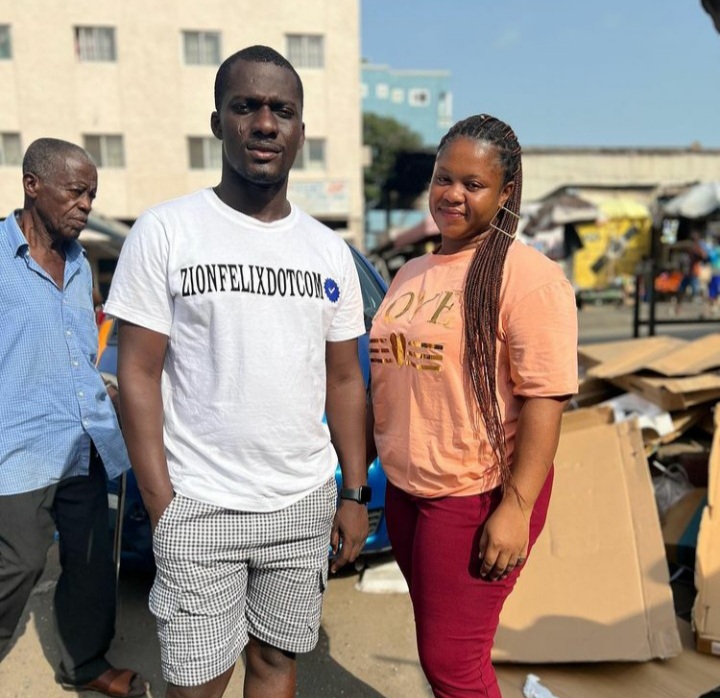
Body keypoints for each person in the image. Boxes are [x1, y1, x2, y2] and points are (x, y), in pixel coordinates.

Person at [104, 45, 369, 698]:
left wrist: (354, 494)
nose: (264, 123)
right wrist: (162, 502)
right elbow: (136, 373)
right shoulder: (166, 232)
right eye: (246, 106)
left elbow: (344, 381)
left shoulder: (329, 252)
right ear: (218, 122)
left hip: (302, 503)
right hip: (199, 501)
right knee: (196, 682)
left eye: (282, 110)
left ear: (300, 131)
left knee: (277, 662)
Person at [368, 114, 578, 698]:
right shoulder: (411, 271)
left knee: (452, 665)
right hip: (410, 492)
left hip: (475, 494)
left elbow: (546, 399)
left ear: (506, 193)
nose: (452, 194)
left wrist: (515, 506)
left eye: (473, 183)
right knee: (447, 653)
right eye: (443, 179)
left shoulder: (529, 278)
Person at [0, 138, 146, 698]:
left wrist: (100, 388)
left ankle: (86, 662)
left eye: (92, 194)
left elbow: (74, 348)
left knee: (90, 560)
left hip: (85, 438)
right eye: (76, 191)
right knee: (17, 563)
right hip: (17, 445)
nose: (86, 204)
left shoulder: (83, 264)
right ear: (32, 185)